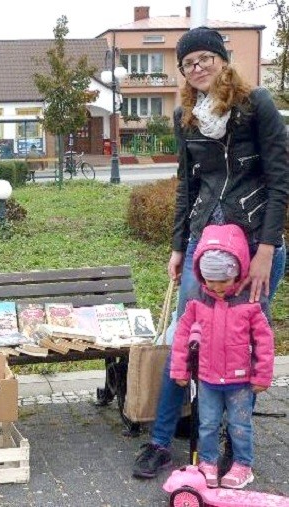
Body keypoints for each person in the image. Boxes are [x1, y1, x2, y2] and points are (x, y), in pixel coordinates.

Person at [132, 26, 288, 479]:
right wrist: (180, 246)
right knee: (187, 335)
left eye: (205, 58)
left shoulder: (256, 105)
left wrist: (267, 249)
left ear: (222, 59)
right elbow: (188, 186)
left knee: (245, 341)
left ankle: (230, 441)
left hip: (255, 243)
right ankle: (161, 440)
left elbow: (280, 182)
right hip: (203, 243)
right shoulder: (187, 114)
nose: (197, 67)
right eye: (188, 63)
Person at [170, 224, 274, 489]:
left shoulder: (250, 303)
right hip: (207, 379)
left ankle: (242, 464)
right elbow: (183, 337)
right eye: (210, 282)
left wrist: (262, 374)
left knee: (240, 425)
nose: (216, 289)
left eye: (223, 282)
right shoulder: (198, 301)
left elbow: (264, 340)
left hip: (240, 381)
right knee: (207, 424)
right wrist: (180, 369)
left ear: (238, 272)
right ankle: (208, 463)